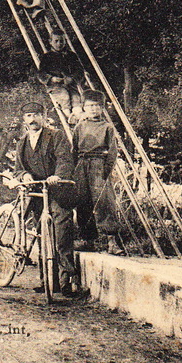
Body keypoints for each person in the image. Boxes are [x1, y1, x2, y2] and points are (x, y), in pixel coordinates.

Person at [12, 101, 83, 297]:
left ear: (43, 117)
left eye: (36, 115)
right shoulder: (22, 142)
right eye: (28, 116)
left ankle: (67, 280)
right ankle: (47, 281)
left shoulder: (56, 136)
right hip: (37, 195)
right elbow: (18, 169)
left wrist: (57, 176)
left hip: (57, 192)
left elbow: (65, 159)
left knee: (61, 233)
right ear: (24, 120)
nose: (32, 119)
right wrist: (24, 175)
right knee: (42, 235)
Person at [72, 90, 124, 255]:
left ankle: (112, 241)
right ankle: (88, 240)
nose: (93, 109)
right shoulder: (80, 126)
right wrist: (75, 170)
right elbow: (73, 149)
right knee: (82, 201)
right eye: (89, 106)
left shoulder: (107, 127)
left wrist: (104, 171)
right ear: (84, 108)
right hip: (81, 165)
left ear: (102, 108)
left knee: (104, 201)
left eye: (96, 106)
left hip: (98, 164)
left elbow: (113, 152)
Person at [38, 30, 84, 122]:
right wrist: (52, 78)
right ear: (50, 42)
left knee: (76, 97)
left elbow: (79, 70)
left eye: (62, 41)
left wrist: (72, 78)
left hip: (70, 84)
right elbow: (41, 73)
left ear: (65, 42)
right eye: (56, 41)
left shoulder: (71, 55)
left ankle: (78, 114)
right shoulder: (47, 57)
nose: (59, 44)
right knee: (64, 97)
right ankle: (69, 116)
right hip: (56, 86)